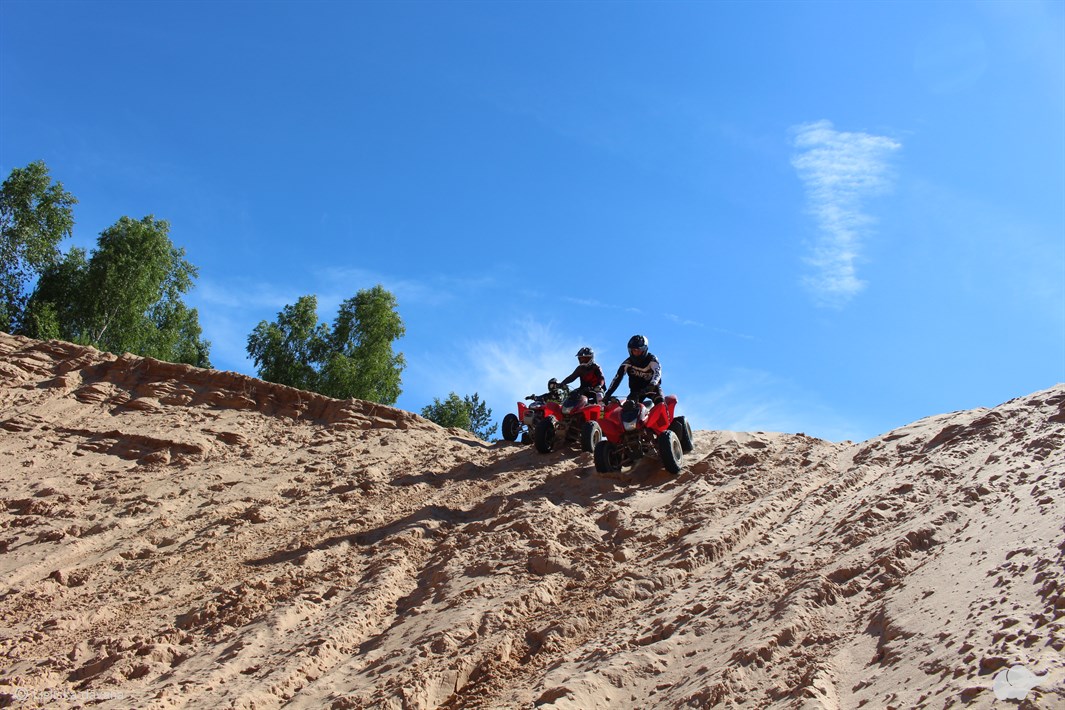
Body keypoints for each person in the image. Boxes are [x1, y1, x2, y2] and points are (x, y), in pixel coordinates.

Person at [603, 334, 662, 404]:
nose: (636, 353)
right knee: (629, 406)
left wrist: (652, 384)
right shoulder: (627, 363)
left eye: (639, 350)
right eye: (634, 350)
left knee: (660, 401)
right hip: (636, 391)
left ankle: (664, 410)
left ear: (644, 350)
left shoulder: (652, 360)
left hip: (652, 388)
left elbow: (657, 373)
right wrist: (608, 394)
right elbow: (617, 378)